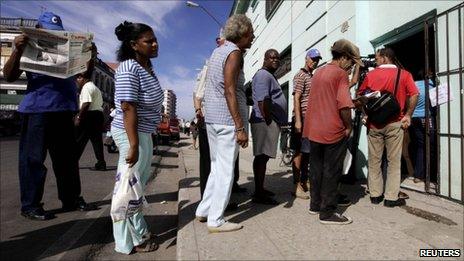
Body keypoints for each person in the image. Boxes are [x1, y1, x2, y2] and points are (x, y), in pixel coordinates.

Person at [3, 11, 95, 221]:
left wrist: (91, 55)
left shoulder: (70, 51)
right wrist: (17, 50)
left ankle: (71, 199)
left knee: (67, 161)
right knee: (33, 161)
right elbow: (9, 75)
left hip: (64, 110)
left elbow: (85, 76)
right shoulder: (25, 47)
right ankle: (31, 205)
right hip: (37, 111)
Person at [195, 14, 254, 233]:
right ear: (242, 33)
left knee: (216, 168)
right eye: (251, 33)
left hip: (213, 119)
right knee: (226, 171)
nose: (253, 37)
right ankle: (216, 219)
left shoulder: (217, 51)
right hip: (228, 121)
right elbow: (230, 89)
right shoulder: (234, 53)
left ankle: (203, 210)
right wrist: (239, 126)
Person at [111, 21, 164, 254]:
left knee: (136, 187)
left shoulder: (146, 68)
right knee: (126, 188)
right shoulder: (128, 68)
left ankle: (139, 232)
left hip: (143, 132)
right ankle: (125, 242)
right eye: (148, 41)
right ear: (134, 44)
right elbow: (127, 107)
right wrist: (133, 145)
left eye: (155, 39)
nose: (155, 44)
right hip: (130, 133)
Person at [302, 39, 362, 225]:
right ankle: (327, 212)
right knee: (332, 170)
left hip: (314, 128)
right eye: (351, 62)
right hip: (332, 130)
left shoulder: (319, 72)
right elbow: (344, 104)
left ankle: (315, 204)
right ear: (343, 58)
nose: (351, 67)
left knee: (317, 169)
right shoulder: (339, 74)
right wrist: (349, 126)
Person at [358, 47, 418, 208]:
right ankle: (391, 198)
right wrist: (408, 115)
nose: (375, 61)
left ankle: (375, 195)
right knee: (394, 161)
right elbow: (414, 94)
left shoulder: (371, 75)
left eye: (377, 58)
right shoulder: (404, 74)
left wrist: (365, 114)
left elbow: (360, 97)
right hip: (395, 123)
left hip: (374, 124)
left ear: (385, 58)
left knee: (374, 160)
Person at [250, 49, 288, 205]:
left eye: (278, 58)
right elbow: (262, 100)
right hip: (263, 122)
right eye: (272, 57)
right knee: (261, 157)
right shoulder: (263, 75)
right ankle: (258, 193)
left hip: (266, 121)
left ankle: (261, 189)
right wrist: (268, 120)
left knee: (263, 158)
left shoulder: (269, 76)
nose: (276, 60)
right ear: (264, 59)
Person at [290, 48, 321, 199]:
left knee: (307, 152)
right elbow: (296, 97)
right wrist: (297, 121)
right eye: (313, 59)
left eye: (317, 60)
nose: (315, 62)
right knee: (298, 152)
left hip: (311, 120)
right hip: (301, 118)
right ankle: (296, 186)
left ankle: (304, 181)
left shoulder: (312, 76)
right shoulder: (301, 75)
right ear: (306, 58)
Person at [75, 43, 107, 171]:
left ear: (82, 78)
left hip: (89, 115)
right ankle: (101, 162)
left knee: (79, 140)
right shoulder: (95, 87)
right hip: (97, 116)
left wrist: (79, 116)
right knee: (96, 141)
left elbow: (86, 103)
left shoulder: (87, 88)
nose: (77, 81)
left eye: (78, 78)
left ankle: (73, 162)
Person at [410, 71, 434, 183]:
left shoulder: (413, 84)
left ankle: (418, 175)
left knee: (420, 145)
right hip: (426, 118)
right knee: (430, 145)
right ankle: (431, 174)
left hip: (414, 118)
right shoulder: (432, 84)